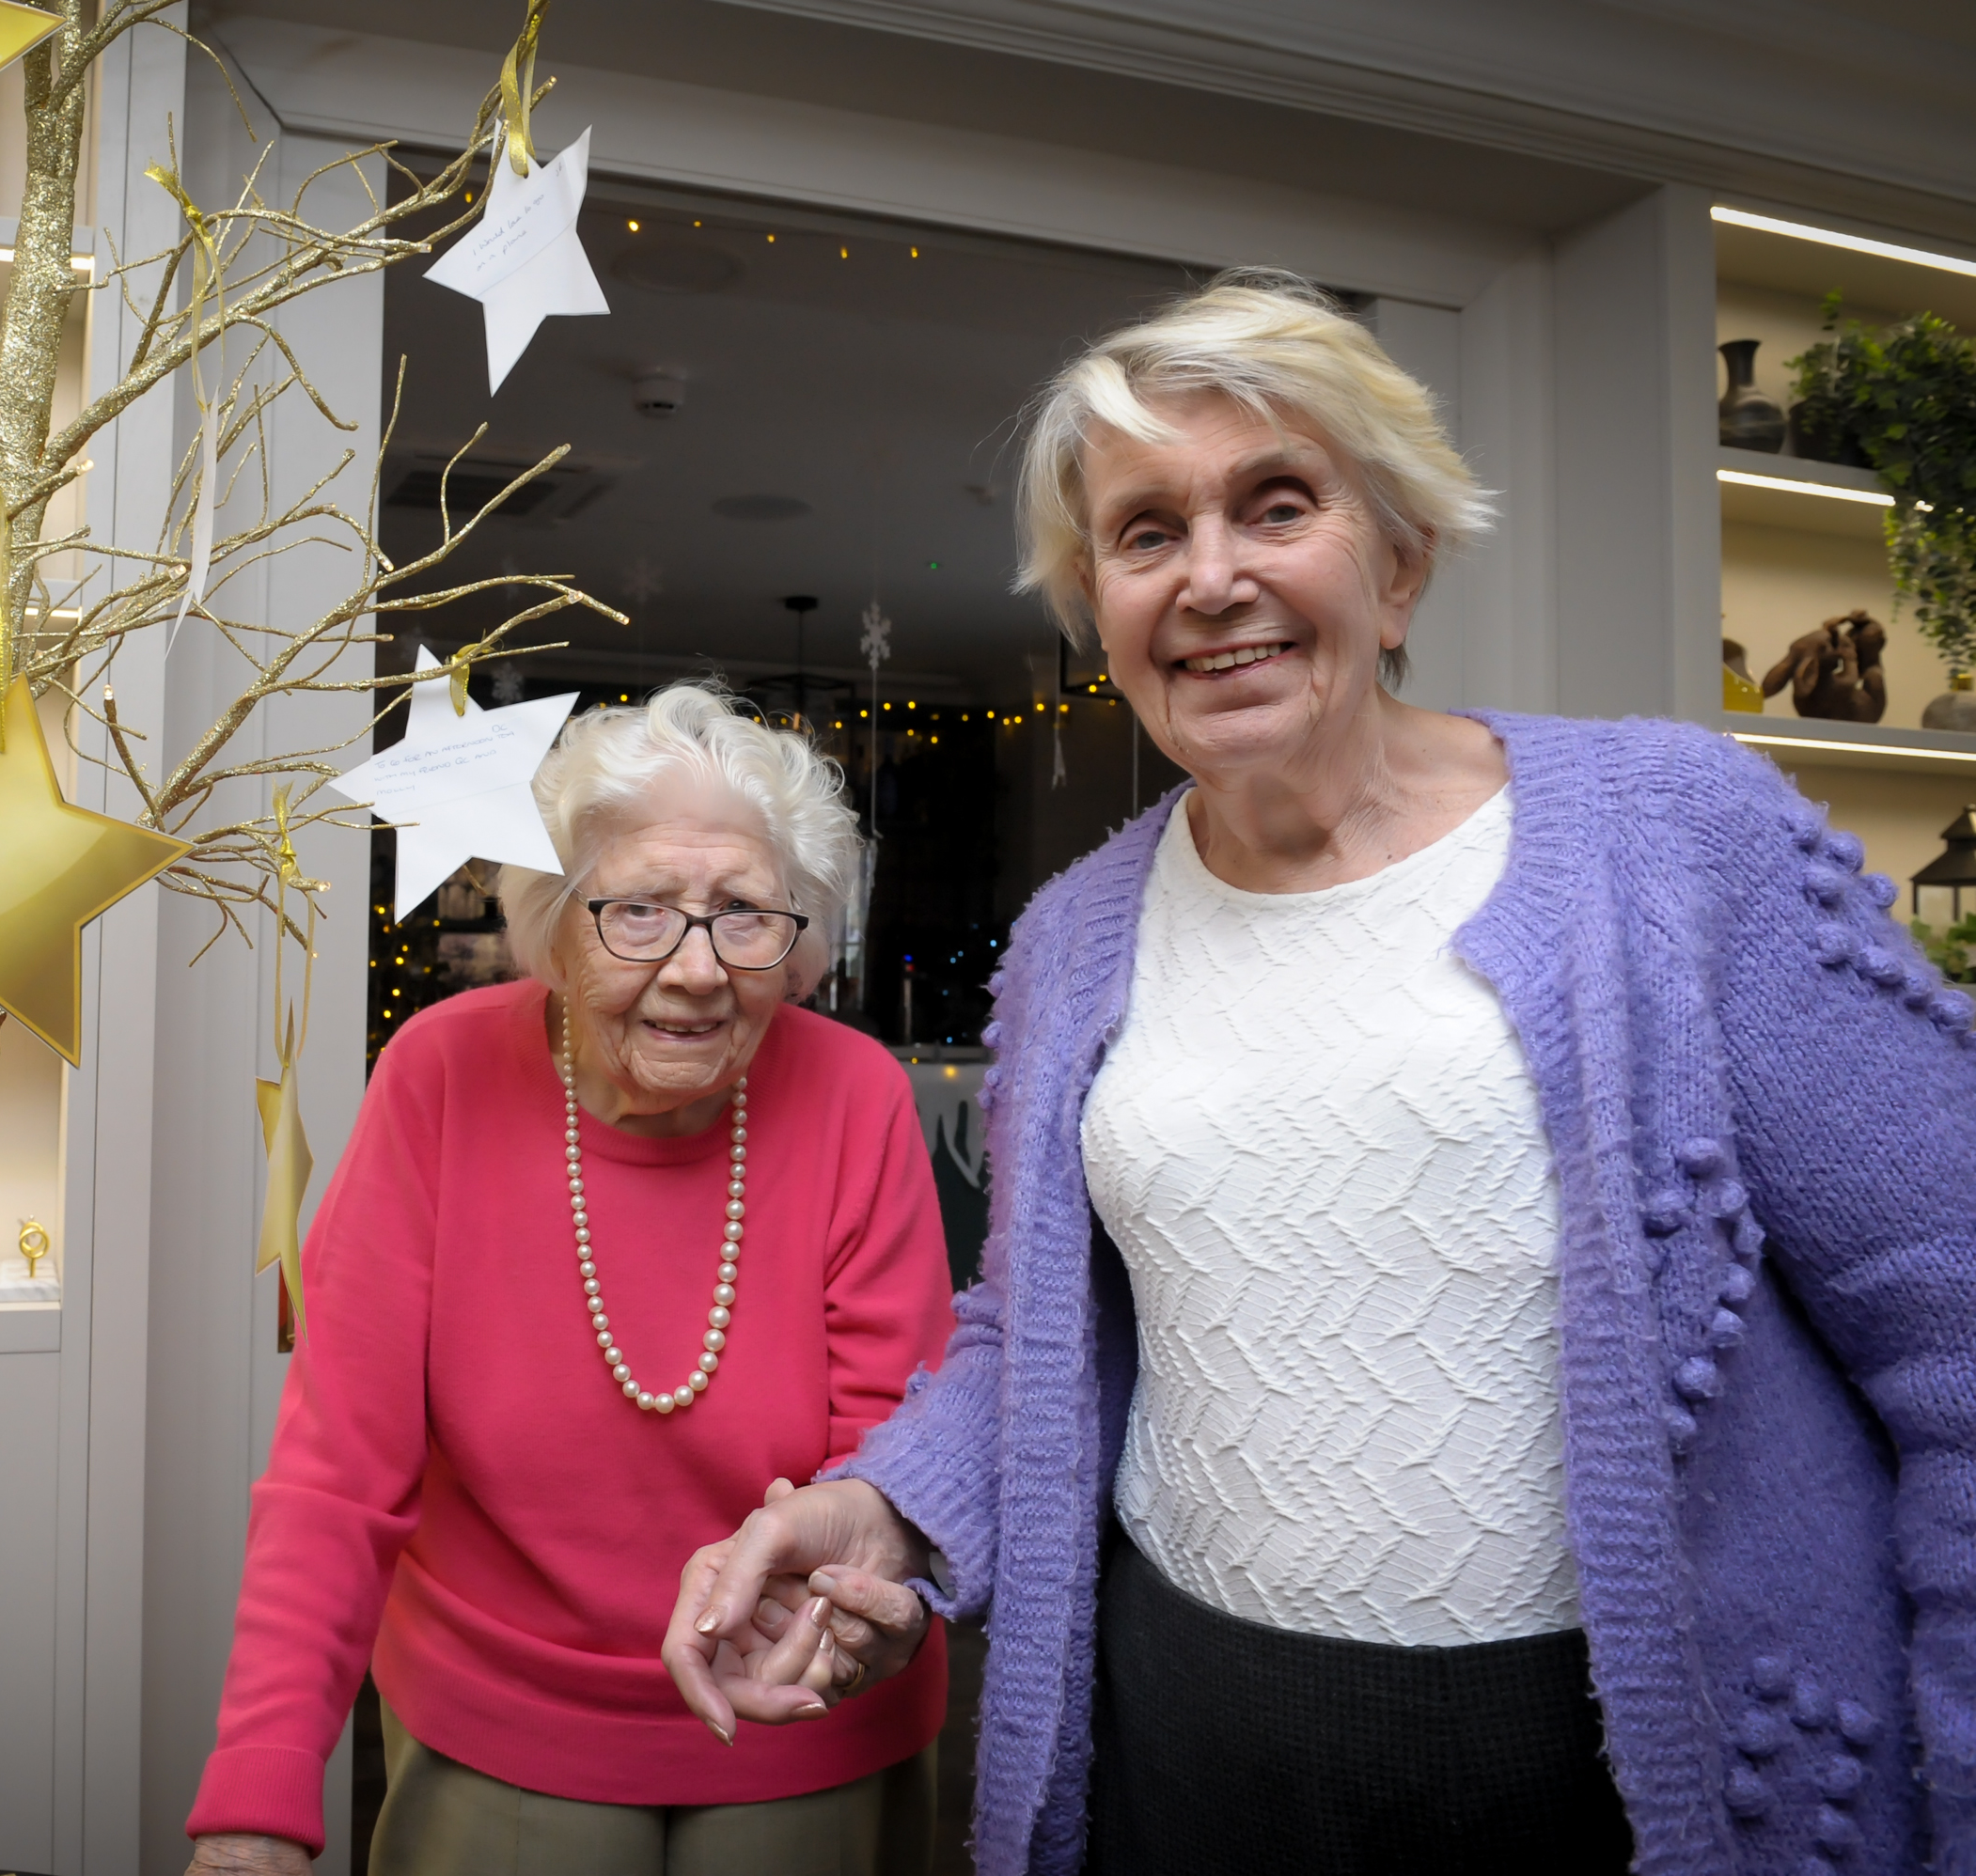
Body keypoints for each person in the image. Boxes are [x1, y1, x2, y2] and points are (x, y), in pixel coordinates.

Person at [664, 271, 1976, 1876]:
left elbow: (1958, 1327)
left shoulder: (1685, 837)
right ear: (1101, 609)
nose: (1211, 579)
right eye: (1146, 535)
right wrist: (884, 1513)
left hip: (1619, 1780)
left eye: (1276, 506)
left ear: (1402, 562)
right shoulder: (1076, 936)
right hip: (1188, 1753)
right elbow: (1040, 1335)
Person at [184, 684, 955, 1876]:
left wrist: (834, 1621)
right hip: (503, 1717)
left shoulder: (856, 1094)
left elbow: (896, 1450)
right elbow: (338, 1470)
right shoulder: (441, 1074)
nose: (697, 970)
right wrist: (260, 1796)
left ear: (797, 940)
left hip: (802, 1702)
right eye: (637, 909)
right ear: (555, 921)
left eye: (745, 913)